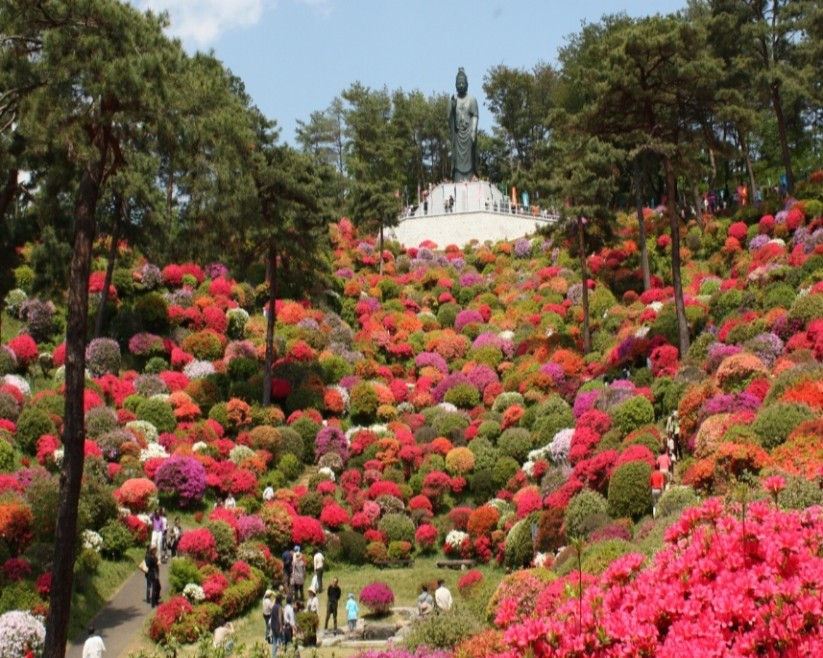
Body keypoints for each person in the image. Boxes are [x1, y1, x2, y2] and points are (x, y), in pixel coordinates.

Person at [447, 67, 479, 182]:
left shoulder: (471, 99)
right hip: (458, 135)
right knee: (456, 158)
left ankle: (471, 175)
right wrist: (452, 107)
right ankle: (457, 177)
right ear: (455, 85)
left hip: (468, 133)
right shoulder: (453, 100)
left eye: (463, 83)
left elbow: (475, 115)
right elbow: (448, 118)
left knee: (470, 156)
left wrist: (473, 130)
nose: (461, 85)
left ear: (467, 84)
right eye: (458, 83)